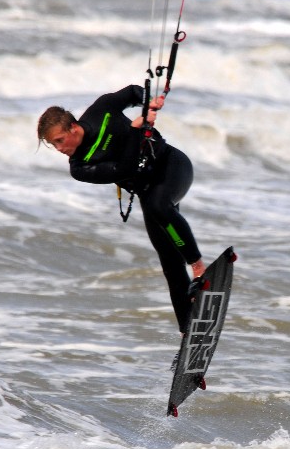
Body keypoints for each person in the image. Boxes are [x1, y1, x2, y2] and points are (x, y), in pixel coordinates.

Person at [37, 85, 205, 333]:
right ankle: (188, 331)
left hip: (172, 166)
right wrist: (136, 129)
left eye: (60, 140)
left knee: (159, 206)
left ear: (73, 127)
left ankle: (199, 267)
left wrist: (150, 105)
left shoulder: (101, 110)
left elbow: (134, 92)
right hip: (148, 190)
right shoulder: (79, 167)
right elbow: (124, 170)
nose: (60, 149)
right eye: (54, 145)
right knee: (169, 261)